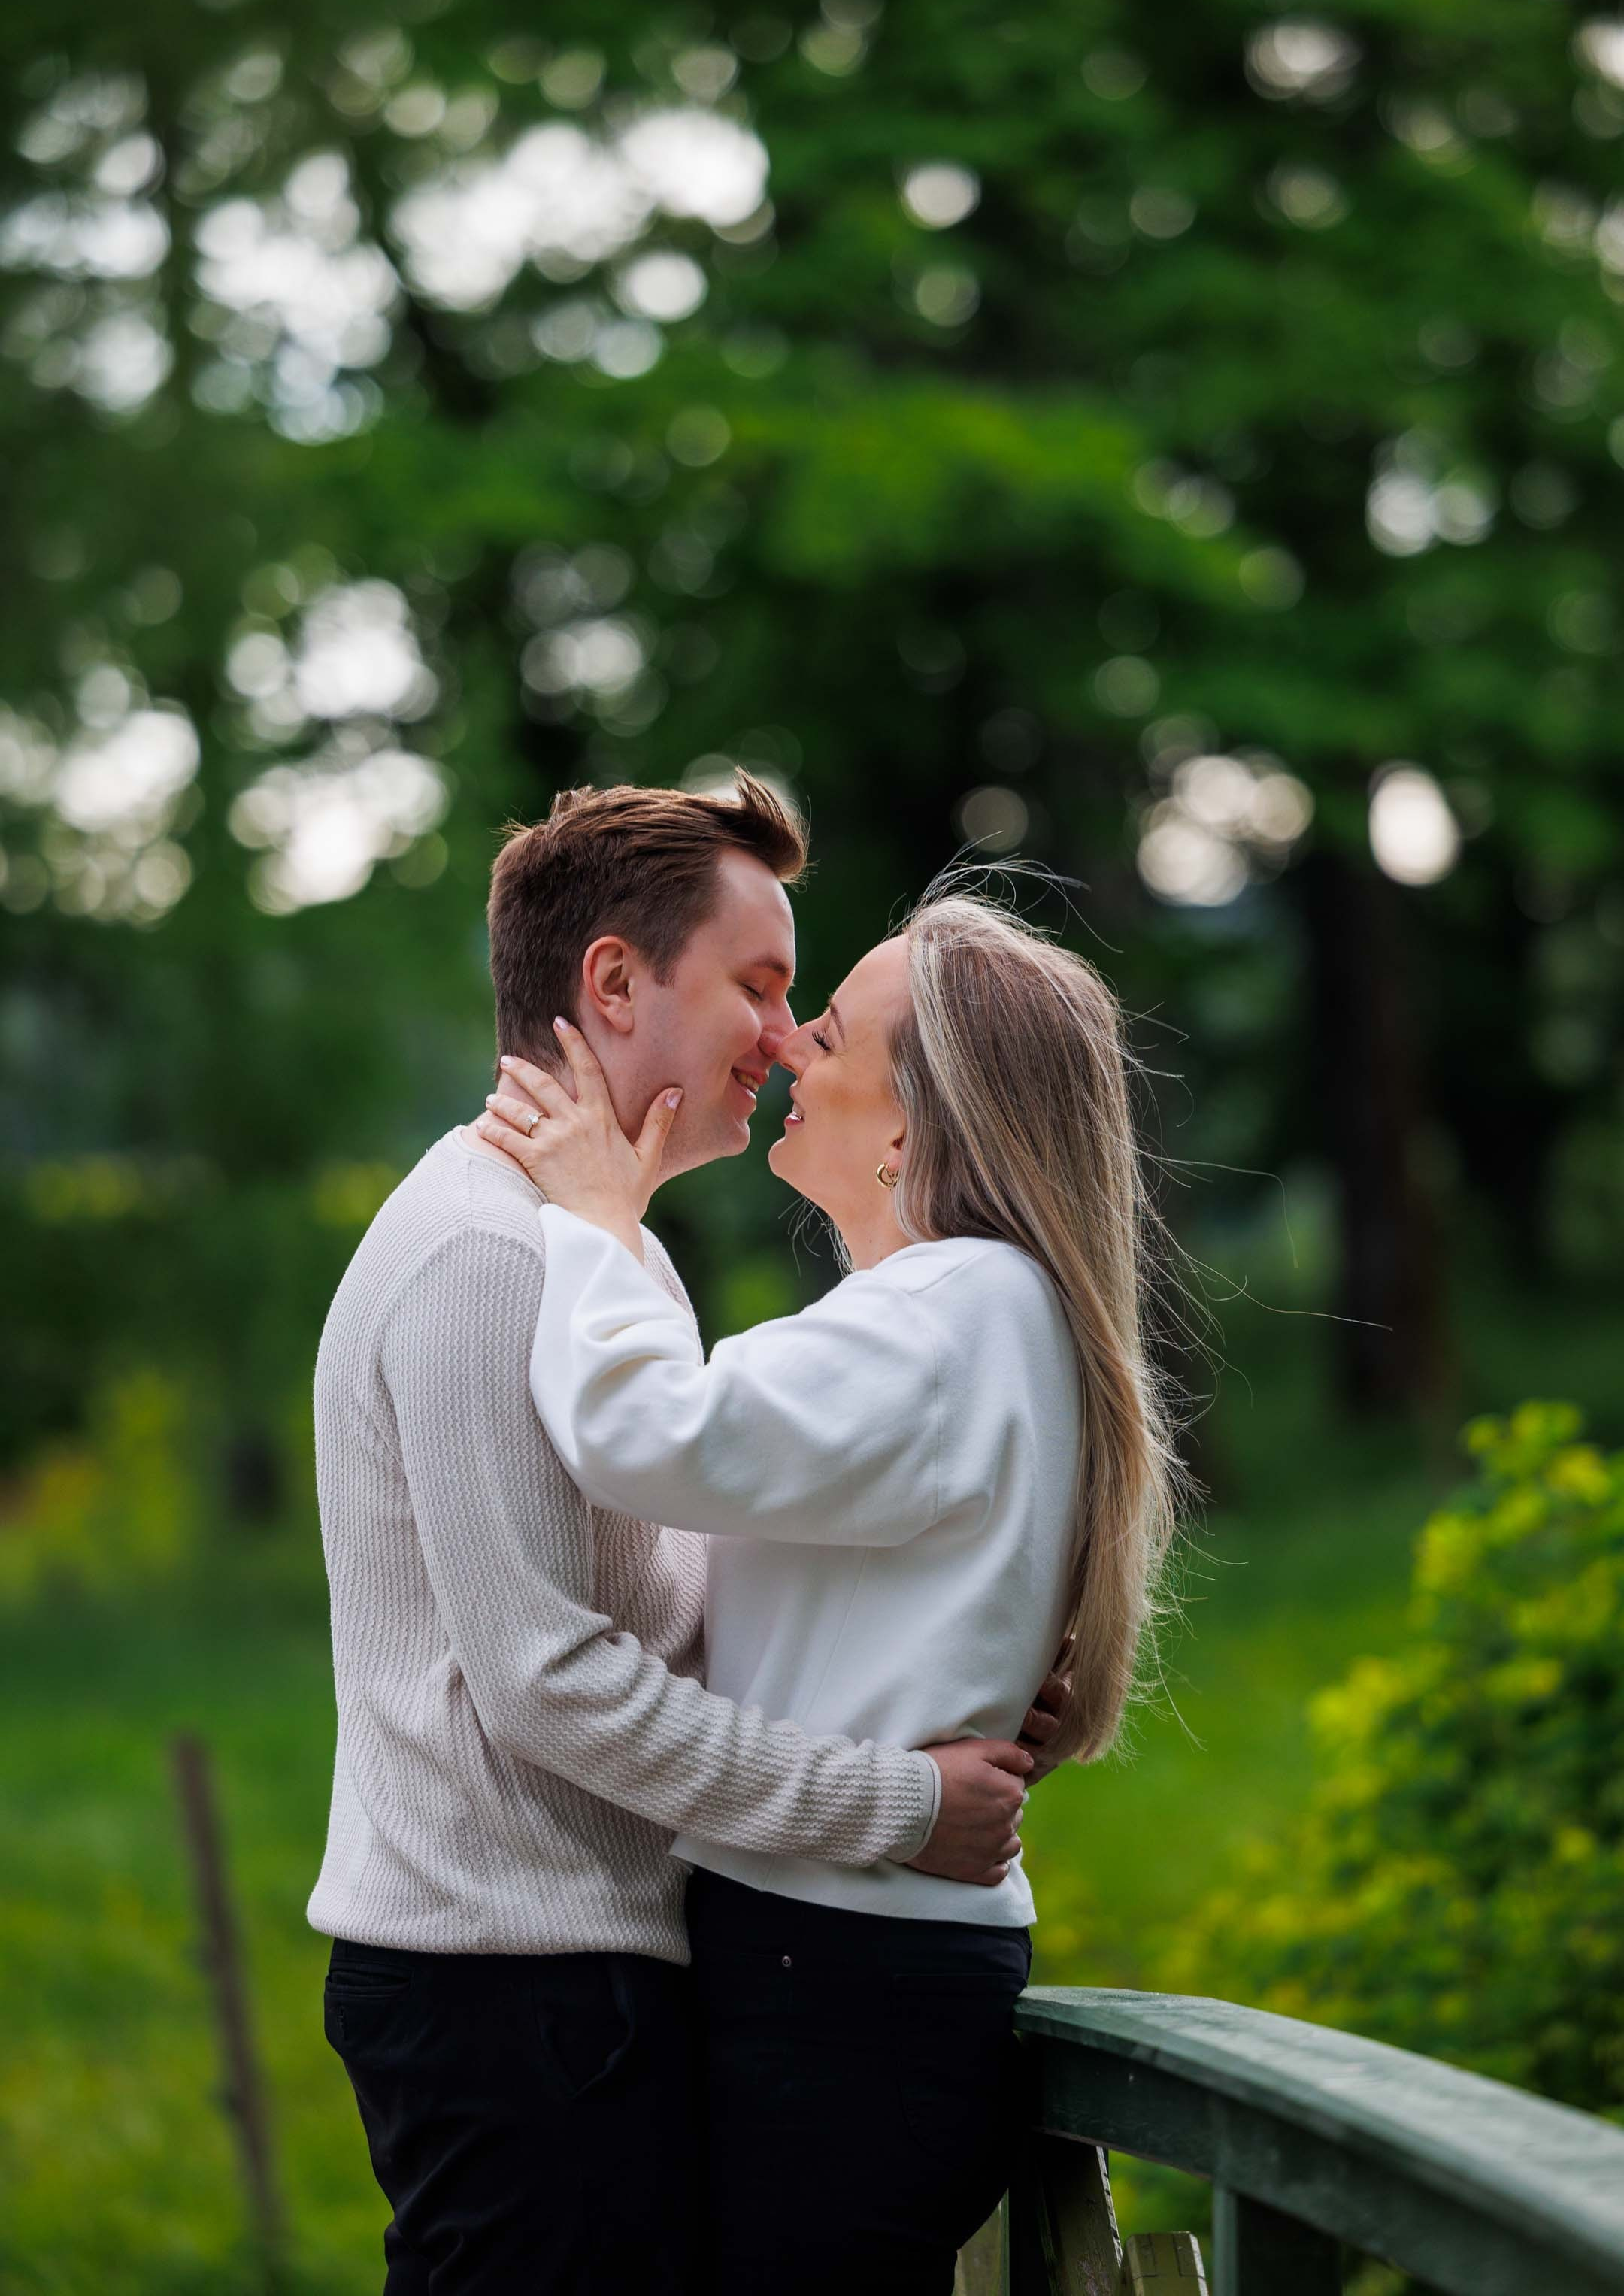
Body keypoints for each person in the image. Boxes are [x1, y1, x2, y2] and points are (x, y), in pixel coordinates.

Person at [308, 777, 1055, 2296]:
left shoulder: (605, 1246)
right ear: (612, 982)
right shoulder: (484, 1255)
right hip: (506, 1988)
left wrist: (921, 1657)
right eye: (762, 986)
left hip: (579, 1980)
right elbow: (549, 1682)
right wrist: (891, 1805)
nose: (784, 1039)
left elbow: (670, 1597)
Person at [474, 878, 1186, 2295]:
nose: (790, 1044)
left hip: (839, 1971)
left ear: (921, 1114)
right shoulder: (979, 1310)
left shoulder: (950, 1310)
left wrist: (599, 1219)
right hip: (862, 1958)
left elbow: (645, 1435)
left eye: (836, 1030)